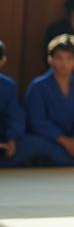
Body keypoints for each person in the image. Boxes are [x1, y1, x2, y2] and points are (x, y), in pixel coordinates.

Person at [23, 35, 74, 166]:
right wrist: (64, 141)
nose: (64, 63)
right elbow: (38, 121)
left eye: (69, 58)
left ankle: (68, 158)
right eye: (59, 58)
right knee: (33, 144)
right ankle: (68, 159)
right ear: (50, 59)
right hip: (51, 141)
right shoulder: (38, 86)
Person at [0, 40, 32, 168]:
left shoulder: (8, 86)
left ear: (2, 61)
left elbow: (15, 116)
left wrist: (11, 138)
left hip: (2, 139)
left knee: (34, 143)